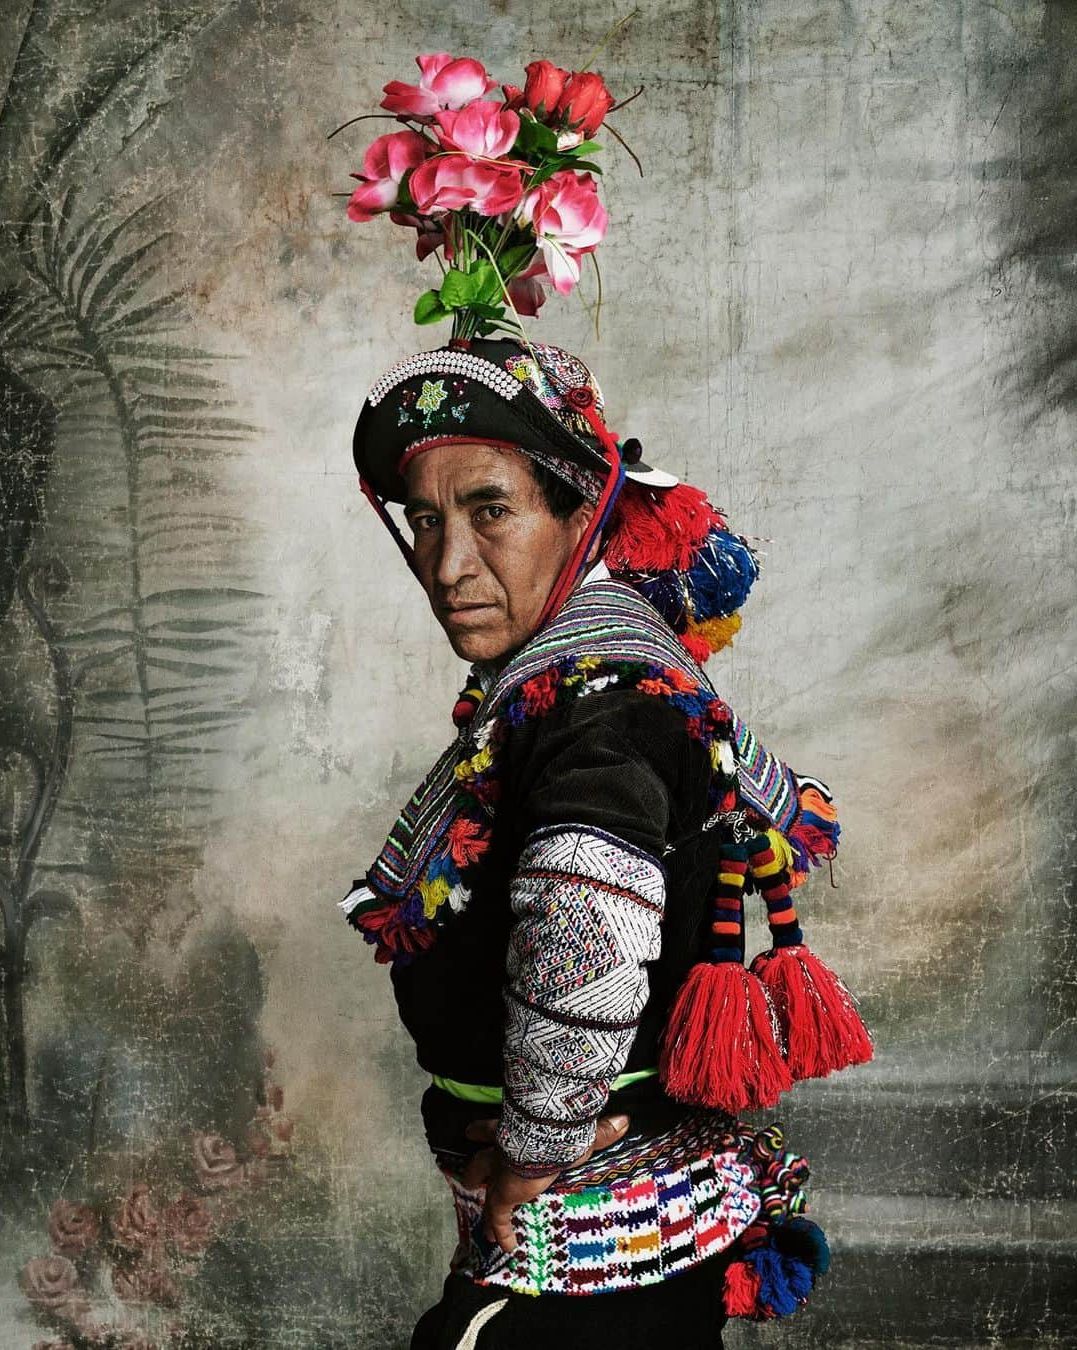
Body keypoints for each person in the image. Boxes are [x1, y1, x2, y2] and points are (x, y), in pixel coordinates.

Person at [340, 335, 871, 1348]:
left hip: (571, 1270)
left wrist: (536, 1152)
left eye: (489, 510)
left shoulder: (603, 705)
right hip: (608, 1261)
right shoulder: (586, 687)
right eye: (424, 521)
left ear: (581, 513)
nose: (446, 564)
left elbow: (587, 919)